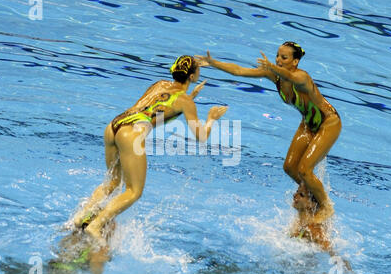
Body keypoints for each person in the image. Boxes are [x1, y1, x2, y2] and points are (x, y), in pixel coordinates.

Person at [196, 42, 342, 246]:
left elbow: (291, 77)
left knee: (305, 170)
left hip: (328, 123)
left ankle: (326, 206)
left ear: (296, 61)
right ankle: (312, 201)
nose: (279, 61)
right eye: (277, 56)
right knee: (290, 168)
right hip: (308, 124)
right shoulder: (276, 76)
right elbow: (239, 71)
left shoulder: (302, 77)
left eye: (284, 58)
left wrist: (272, 68)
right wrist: (213, 63)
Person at [73, 55, 228, 246]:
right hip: (131, 133)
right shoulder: (186, 102)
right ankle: (95, 226)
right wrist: (211, 118)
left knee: (114, 181)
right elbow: (201, 136)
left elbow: (157, 109)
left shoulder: (160, 84)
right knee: (133, 192)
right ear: (193, 76)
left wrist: (190, 98)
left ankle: (81, 216)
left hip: (114, 124)